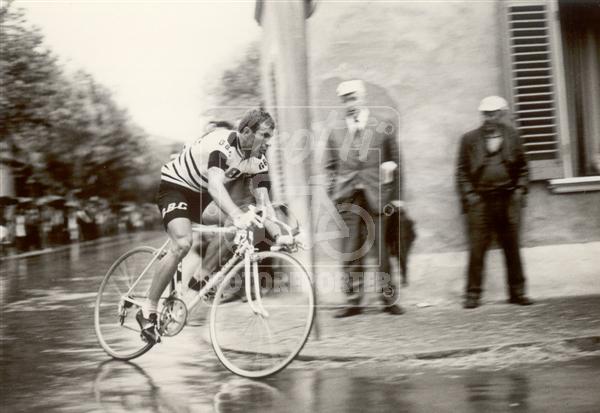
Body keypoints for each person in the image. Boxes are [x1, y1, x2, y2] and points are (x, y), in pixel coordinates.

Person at [140, 108, 285, 342]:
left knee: (236, 227)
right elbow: (215, 186)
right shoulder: (222, 143)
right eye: (265, 136)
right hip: (176, 186)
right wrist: (237, 215)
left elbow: (264, 204)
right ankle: (148, 309)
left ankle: (198, 283)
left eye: (271, 137)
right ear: (247, 132)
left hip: (201, 196)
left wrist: (280, 235)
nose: (269, 142)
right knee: (183, 243)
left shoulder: (258, 160)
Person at [325, 79, 404, 317]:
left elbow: (396, 162)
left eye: (353, 98)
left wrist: (396, 197)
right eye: (345, 100)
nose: (349, 104)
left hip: (377, 196)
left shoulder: (383, 125)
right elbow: (329, 167)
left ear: (363, 98)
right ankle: (353, 301)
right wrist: (334, 193)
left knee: (381, 251)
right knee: (350, 251)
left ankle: (388, 299)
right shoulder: (335, 130)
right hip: (347, 198)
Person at [456, 96, 533, 309]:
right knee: (477, 248)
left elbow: (524, 169)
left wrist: (519, 191)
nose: (489, 118)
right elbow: (461, 172)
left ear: (502, 114)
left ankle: (517, 292)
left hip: (508, 199)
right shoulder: (469, 139)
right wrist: (471, 197)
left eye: (493, 114)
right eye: (486, 114)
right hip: (480, 201)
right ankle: (473, 294)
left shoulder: (513, 136)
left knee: (512, 247)